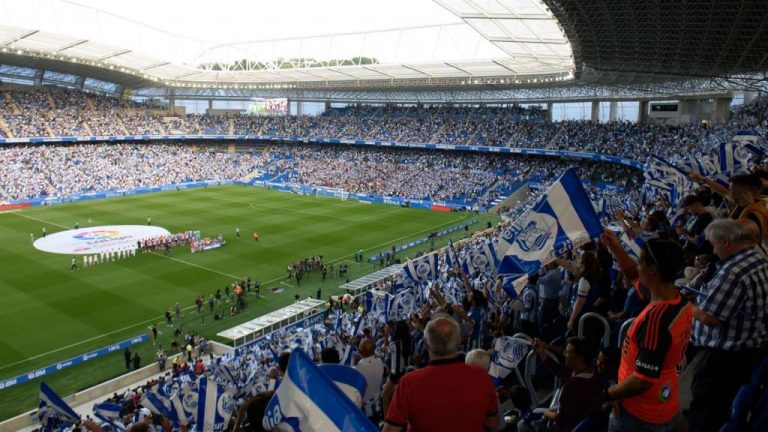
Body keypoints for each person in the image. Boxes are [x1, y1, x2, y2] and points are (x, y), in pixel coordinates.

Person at [688, 219, 768, 432]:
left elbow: (710, 317)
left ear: (725, 242)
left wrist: (687, 306)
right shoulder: (757, 258)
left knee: (706, 411)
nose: (713, 250)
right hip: (745, 351)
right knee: (720, 407)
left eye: (714, 244)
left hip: (723, 357)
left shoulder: (733, 272)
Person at [606, 238, 692, 432]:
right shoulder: (678, 299)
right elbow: (633, 275)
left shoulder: (656, 320)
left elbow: (642, 381)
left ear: (652, 270)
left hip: (638, 415)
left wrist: (607, 394)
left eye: (641, 262)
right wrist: (615, 247)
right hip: (662, 401)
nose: (637, 267)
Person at [383, 314, 499, 432]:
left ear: (426, 344)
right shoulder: (482, 377)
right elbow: (492, 423)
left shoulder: (408, 383)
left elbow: (390, 429)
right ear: (458, 342)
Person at [533, 337, 604, 432]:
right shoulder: (592, 372)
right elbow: (559, 371)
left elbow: (561, 419)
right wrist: (542, 351)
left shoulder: (572, 387)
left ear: (579, 358)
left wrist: (546, 412)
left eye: (567, 352)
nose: (563, 354)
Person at [356, 338, 385, 422]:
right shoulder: (379, 362)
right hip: (378, 404)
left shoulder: (358, 369)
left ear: (359, 352)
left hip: (365, 410)